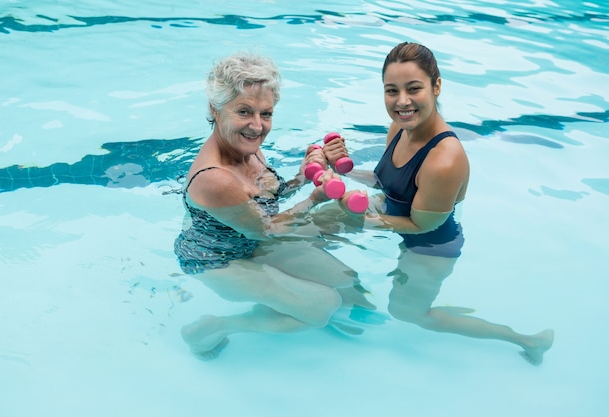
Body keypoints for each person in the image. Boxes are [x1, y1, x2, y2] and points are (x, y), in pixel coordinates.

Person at [321, 42, 554, 365]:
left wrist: (361, 218)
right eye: (392, 91)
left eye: (413, 88)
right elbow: (386, 181)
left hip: (430, 246)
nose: (402, 102)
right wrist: (340, 169)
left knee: (407, 313)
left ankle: (525, 339)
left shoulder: (444, 160)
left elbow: (423, 225)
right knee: (319, 222)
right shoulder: (400, 127)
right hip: (399, 217)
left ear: (437, 86)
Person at [174, 52, 372, 360]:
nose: (257, 126)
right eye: (244, 112)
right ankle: (215, 327)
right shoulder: (215, 178)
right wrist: (314, 198)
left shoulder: (245, 148)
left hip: (249, 238)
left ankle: (278, 299)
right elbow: (268, 230)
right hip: (217, 260)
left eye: (266, 114)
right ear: (215, 108)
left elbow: (269, 197)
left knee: (346, 284)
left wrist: (303, 176)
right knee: (323, 306)